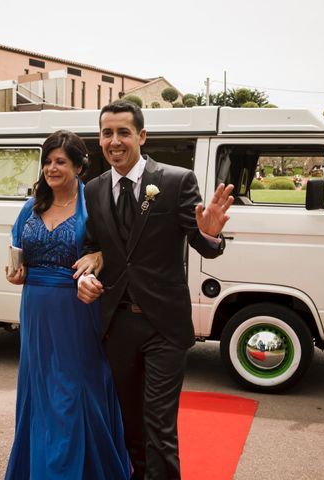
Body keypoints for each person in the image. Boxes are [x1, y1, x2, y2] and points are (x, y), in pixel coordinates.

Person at [77, 100, 234, 479]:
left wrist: (210, 233)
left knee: (159, 427)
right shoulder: (94, 189)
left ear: (142, 136)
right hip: (117, 326)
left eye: (123, 132)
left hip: (164, 327)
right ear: (100, 139)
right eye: (107, 133)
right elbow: (92, 246)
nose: (114, 141)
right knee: (130, 425)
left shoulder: (176, 181)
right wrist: (85, 275)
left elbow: (202, 243)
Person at [4, 130, 131, 479]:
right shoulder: (32, 206)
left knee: (73, 391)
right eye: (47, 161)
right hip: (35, 310)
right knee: (40, 390)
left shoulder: (93, 205)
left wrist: (100, 258)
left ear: (78, 166)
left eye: (60, 161)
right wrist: (15, 273)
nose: (51, 168)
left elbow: (117, 253)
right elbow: (16, 250)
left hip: (77, 310)